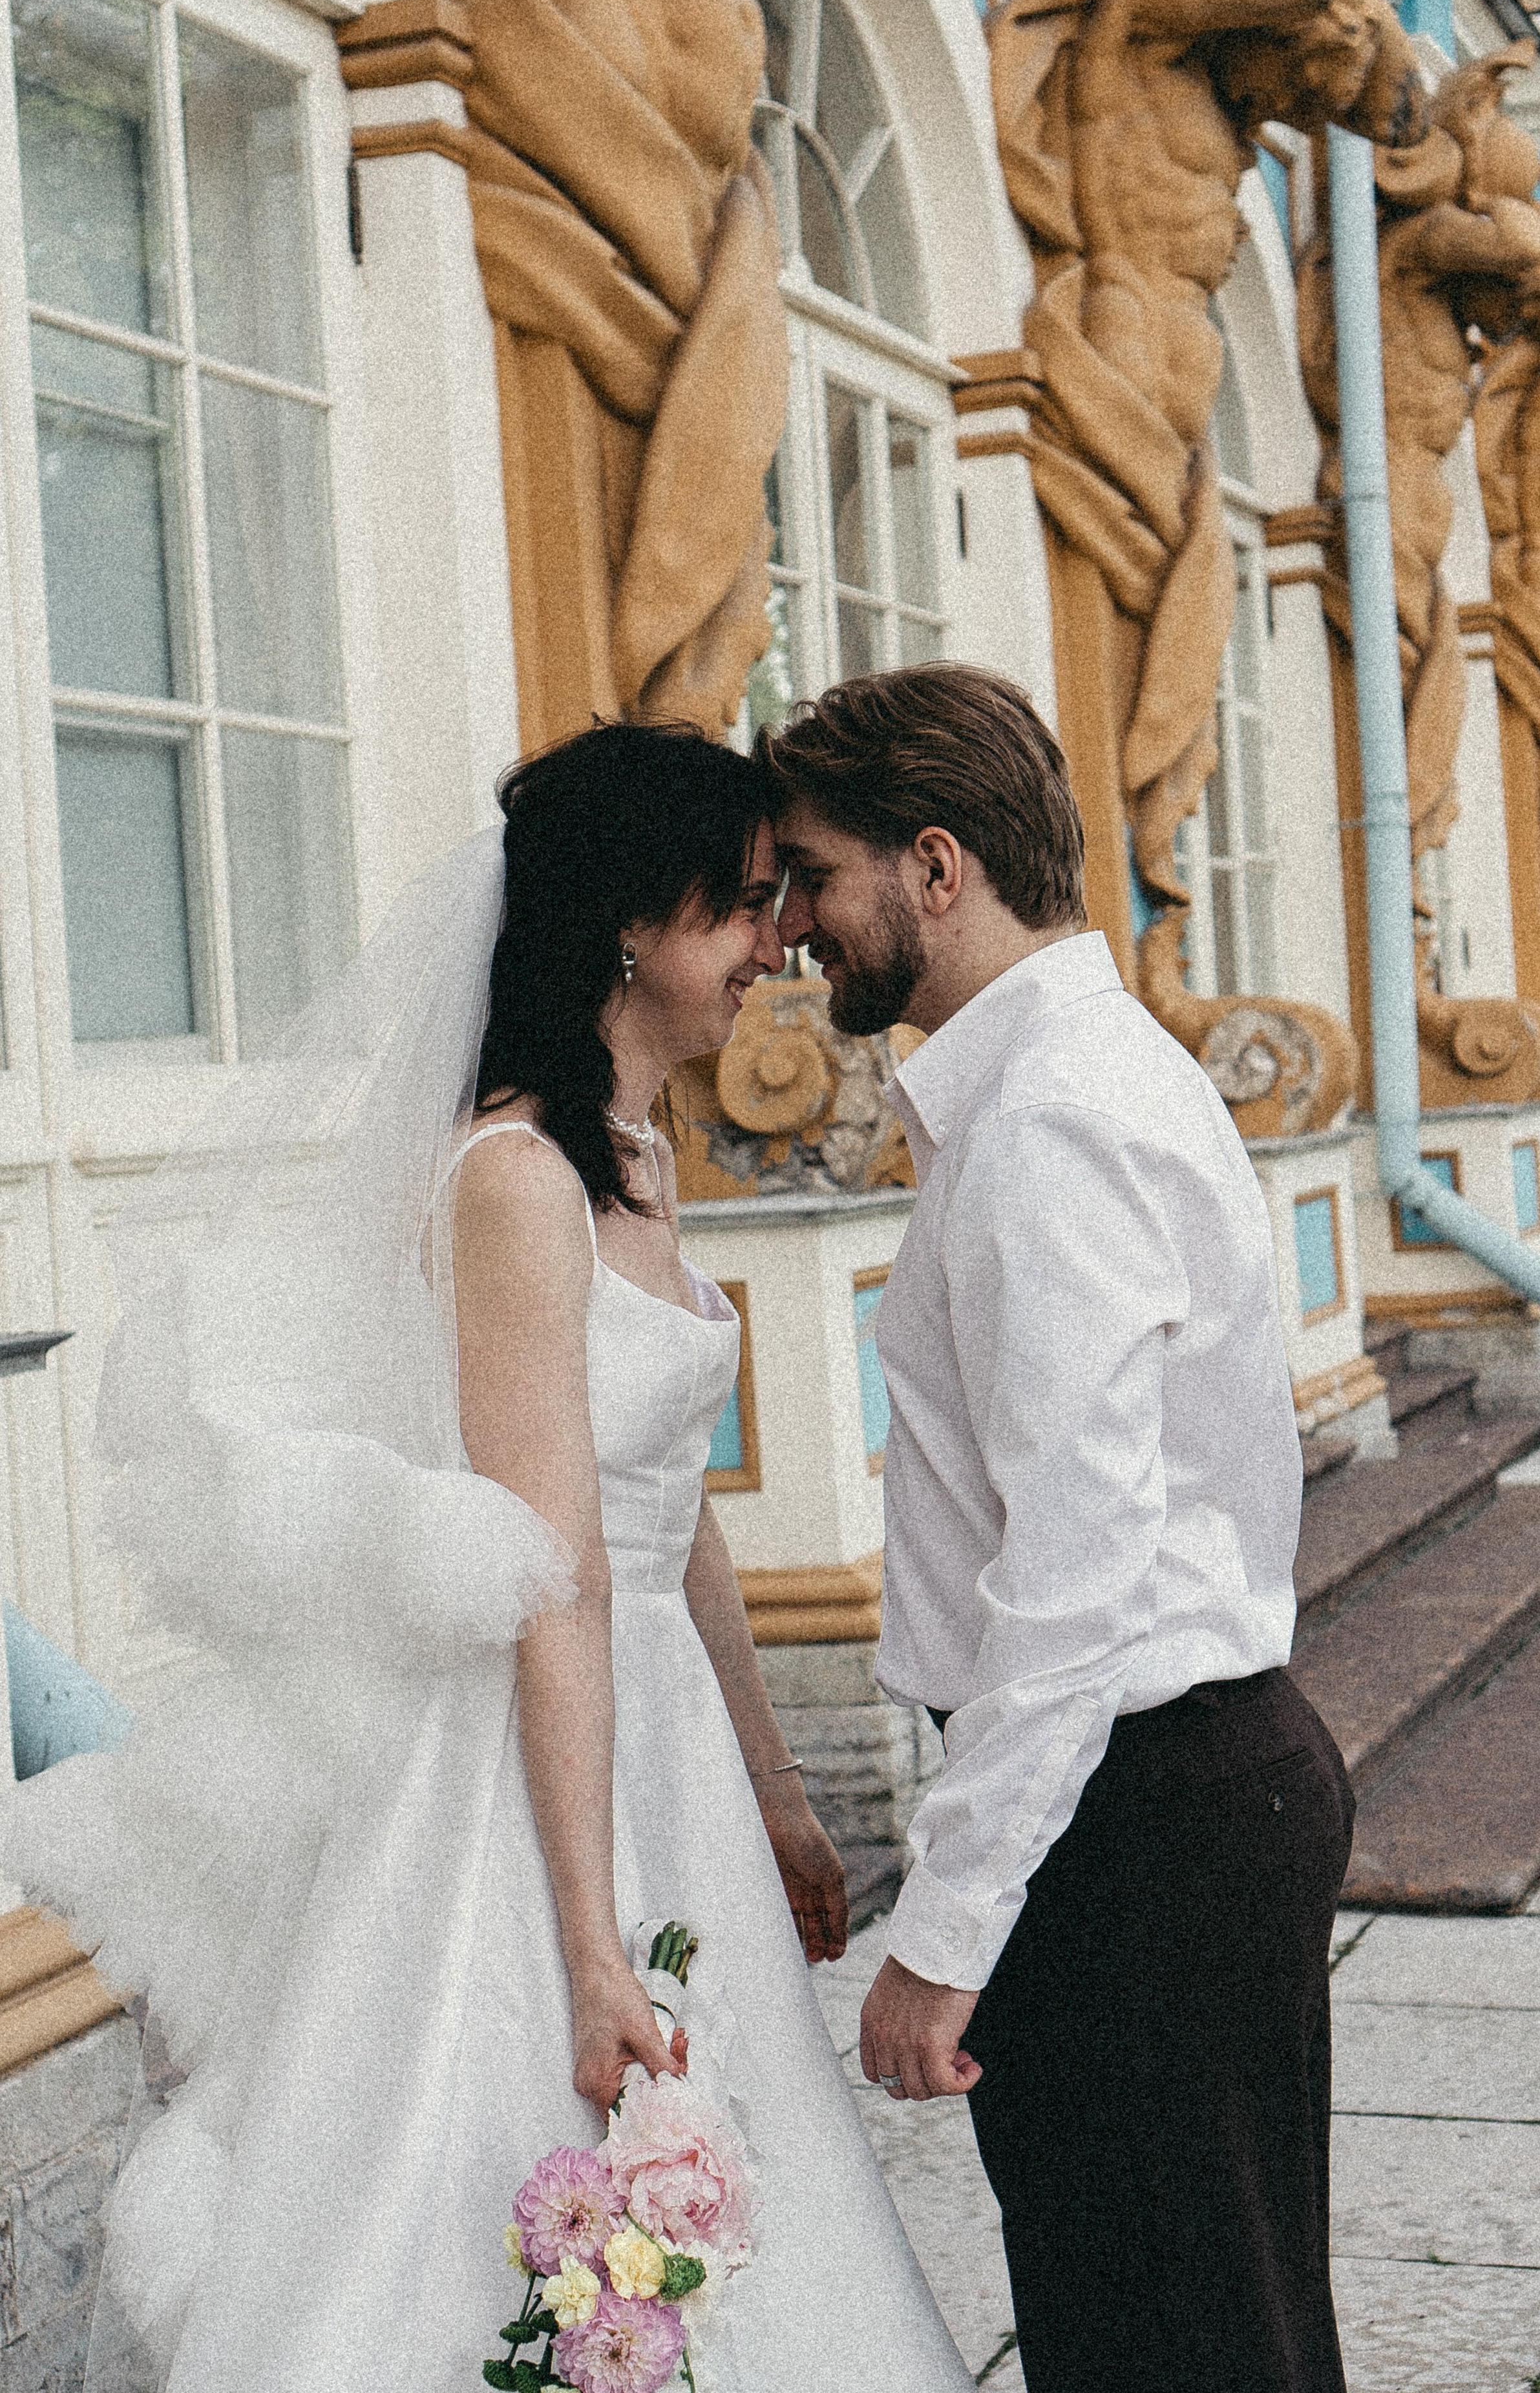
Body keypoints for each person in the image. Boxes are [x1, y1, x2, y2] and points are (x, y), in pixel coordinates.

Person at [6, 723, 975, 2393]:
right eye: (740, 909)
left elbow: (682, 1524)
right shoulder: (515, 1180)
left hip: (660, 1728)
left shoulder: (647, 1164)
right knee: (501, 2181)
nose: (773, 950)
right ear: (626, 925)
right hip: (539, 1768)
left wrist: (777, 1788)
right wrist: (589, 1938)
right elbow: (556, 1568)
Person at [759, 665, 1356, 2393]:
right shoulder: (1076, 1081)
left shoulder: (1048, 1125)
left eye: (814, 873)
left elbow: (1074, 1584)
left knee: (1171, 2345)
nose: (793, 922)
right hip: (1171, 1791)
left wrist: (940, 1942)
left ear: (934, 868)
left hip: (1141, 1816)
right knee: (1204, 2332)